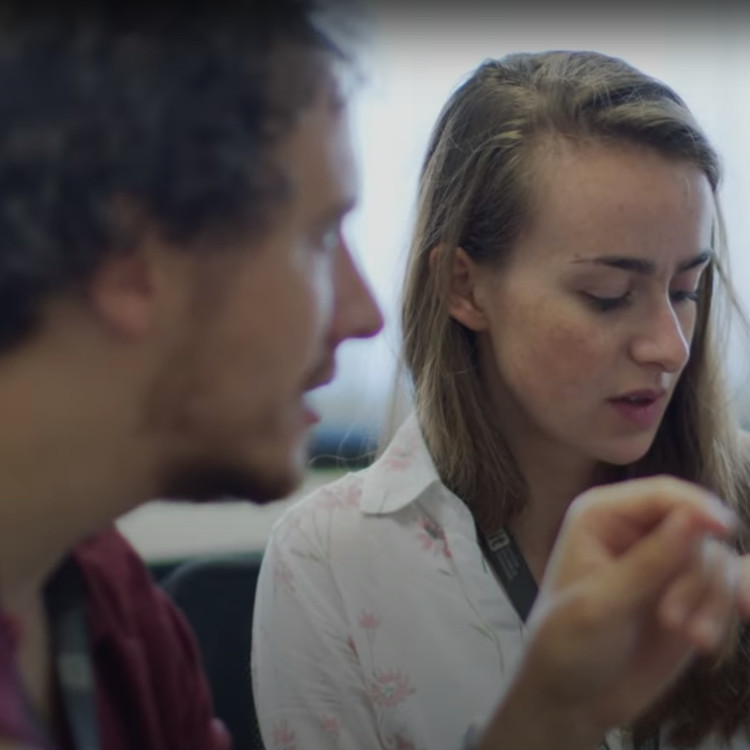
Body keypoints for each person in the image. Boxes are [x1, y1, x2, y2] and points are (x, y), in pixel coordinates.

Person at [252, 50, 750, 750]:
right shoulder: (329, 561)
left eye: (686, 291)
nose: (670, 348)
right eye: (608, 297)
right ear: (464, 286)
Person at [0, 1, 382, 748]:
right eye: (317, 238)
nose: (364, 313)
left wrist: (549, 714)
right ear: (131, 256)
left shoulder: (116, 608)